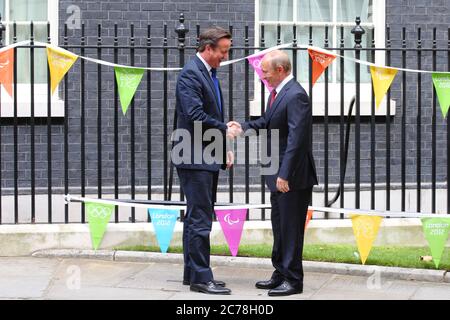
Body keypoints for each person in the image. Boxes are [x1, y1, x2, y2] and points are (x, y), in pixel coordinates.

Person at [228, 50, 318, 296]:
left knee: (291, 229)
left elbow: (297, 141)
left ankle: (293, 279)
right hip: (277, 174)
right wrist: (242, 127)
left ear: (280, 70)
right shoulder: (279, 94)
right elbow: (267, 122)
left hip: (291, 177)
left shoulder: (296, 95)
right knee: (279, 226)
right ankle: (280, 273)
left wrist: (285, 174)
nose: (263, 77)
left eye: (266, 72)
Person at [172, 26, 239, 295]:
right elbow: (195, 116)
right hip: (194, 158)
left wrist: (223, 150)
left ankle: (193, 274)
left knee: (195, 218)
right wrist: (225, 129)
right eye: (223, 51)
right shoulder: (191, 73)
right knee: (200, 219)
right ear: (208, 48)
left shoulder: (208, 73)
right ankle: (201, 278)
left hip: (204, 156)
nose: (225, 56)